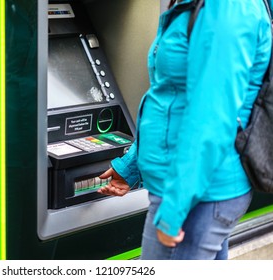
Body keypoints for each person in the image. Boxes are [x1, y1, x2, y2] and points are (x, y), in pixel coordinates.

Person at [98, 0, 272, 260]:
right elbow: (172, 97)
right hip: (189, 185)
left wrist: (174, 210)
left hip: (197, 193)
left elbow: (211, 117)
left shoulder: (228, 6)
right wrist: (131, 165)